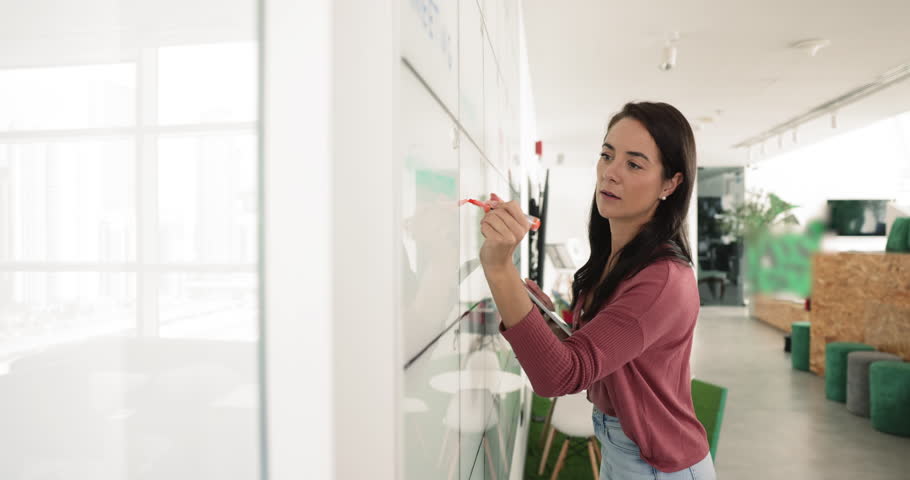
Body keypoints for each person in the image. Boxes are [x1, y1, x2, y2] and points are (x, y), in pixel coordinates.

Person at [478, 102, 715, 479]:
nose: (611, 173)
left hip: (658, 465)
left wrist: (497, 266)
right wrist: (544, 317)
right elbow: (599, 354)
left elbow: (561, 376)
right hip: (624, 449)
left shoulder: (662, 279)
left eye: (634, 164)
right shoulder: (617, 260)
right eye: (607, 155)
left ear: (670, 183)